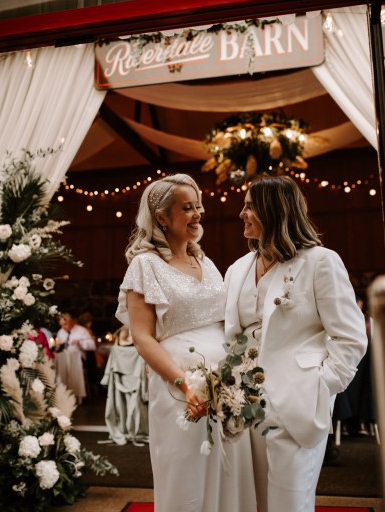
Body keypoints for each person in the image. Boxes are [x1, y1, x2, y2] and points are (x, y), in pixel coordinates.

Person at [224, 175, 368, 512]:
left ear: (273, 209)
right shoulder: (237, 269)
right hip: (243, 406)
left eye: (249, 206)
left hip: (297, 402)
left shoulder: (320, 262)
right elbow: (227, 334)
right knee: (252, 502)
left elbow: (350, 337)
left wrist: (320, 385)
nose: (241, 213)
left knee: (290, 504)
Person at [116, 173, 256, 512]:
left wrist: (237, 376)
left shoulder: (206, 263)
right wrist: (184, 383)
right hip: (179, 389)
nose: (198, 215)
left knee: (229, 470)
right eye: (188, 208)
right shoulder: (144, 265)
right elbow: (142, 337)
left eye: (199, 207)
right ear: (162, 218)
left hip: (225, 387)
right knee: (187, 475)